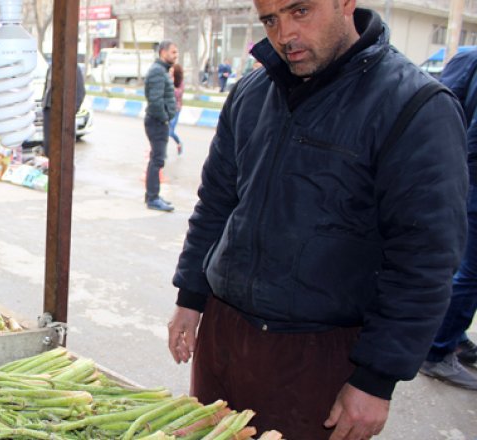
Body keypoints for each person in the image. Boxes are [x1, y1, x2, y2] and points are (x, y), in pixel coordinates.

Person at [167, 0, 467, 438]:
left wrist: (375, 379)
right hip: (225, 335)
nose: (284, 33)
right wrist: (190, 296)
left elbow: (425, 260)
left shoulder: (416, 106)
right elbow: (216, 203)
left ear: (346, 3)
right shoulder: (252, 92)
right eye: (270, 19)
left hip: (323, 353)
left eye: (300, 11)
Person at [419, 48, 477, 390]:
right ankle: (439, 350)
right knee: (467, 270)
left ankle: (452, 336)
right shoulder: (469, 57)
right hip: (470, 178)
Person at [143, 40, 178, 212]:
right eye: (173, 52)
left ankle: (151, 195)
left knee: (155, 159)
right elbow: (155, 101)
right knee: (157, 160)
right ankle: (153, 198)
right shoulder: (158, 71)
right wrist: (164, 117)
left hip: (158, 121)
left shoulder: (161, 70)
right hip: (157, 122)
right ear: (163, 52)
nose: (175, 55)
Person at [41, 64, 86, 158]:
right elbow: (47, 88)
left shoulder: (72, 66)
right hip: (48, 110)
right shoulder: (51, 66)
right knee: (48, 145)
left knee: (63, 147)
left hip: (63, 113)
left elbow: (80, 92)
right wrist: (43, 103)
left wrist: (70, 112)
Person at [169, 64, 184, 155]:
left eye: (172, 71)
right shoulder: (168, 79)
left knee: (170, 132)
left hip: (176, 109)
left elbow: (179, 93)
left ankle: (179, 143)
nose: (170, 72)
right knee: (164, 132)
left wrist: (171, 86)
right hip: (167, 109)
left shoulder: (180, 82)